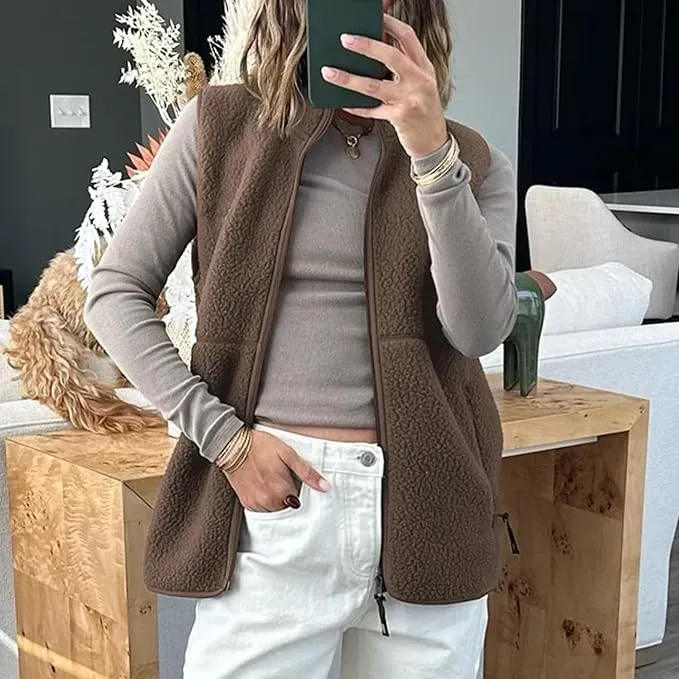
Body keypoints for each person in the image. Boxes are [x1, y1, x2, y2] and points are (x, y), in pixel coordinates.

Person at [84, 0, 518, 676]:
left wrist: (432, 157)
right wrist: (226, 442)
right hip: (276, 505)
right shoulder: (218, 127)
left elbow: (478, 329)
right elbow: (114, 293)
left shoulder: (474, 160)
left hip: (429, 509)